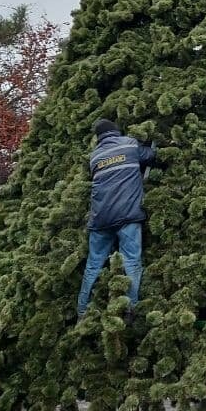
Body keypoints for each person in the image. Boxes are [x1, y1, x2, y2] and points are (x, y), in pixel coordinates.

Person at [77, 118, 158, 318]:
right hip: (127, 215)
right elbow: (150, 155)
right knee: (131, 261)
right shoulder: (129, 144)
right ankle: (130, 310)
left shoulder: (95, 156)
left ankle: (81, 312)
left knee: (93, 265)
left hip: (100, 219)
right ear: (115, 131)